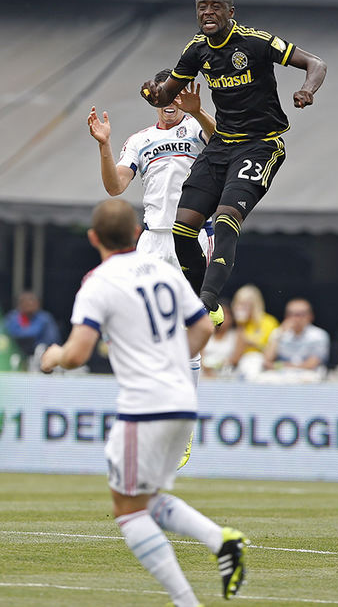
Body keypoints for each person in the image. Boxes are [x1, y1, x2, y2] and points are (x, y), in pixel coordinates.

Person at [40, 199, 249, 604]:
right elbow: (204, 327)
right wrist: (169, 360)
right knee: (145, 499)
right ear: (137, 234)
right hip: (181, 397)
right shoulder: (163, 271)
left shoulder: (98, 281)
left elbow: (78, 352)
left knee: (129, 510)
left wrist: (52, 357)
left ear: (93, 238)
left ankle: (187, 598)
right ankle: (221, 541)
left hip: (145, 403)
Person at [140, 0, 327, 327]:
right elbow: (166, 95)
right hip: (221, 145)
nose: (207, 12)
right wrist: (152, 93)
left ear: (230, 12)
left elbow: (316, 63)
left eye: (215, 6)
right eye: (201, 7)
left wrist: (306, 90)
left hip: (261, 143)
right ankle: (201, 304)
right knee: (182, 230)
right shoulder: (196, 50)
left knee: (226, 218)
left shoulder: (256, 42)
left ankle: (208, 300)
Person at [89, 73, 218, 467]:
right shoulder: (140, 140)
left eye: (176, 94)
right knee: (144, 324)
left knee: (187, 325)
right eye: (163, 95)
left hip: (191, 235)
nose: (170, 101)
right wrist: (105, 145)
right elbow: (115, 188)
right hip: (152, 238)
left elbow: (228, 147)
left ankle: (183, 429)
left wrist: (202, 113)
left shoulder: (198, 127)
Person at [262, 298, 330, 379]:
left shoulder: (319, 335)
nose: (297, 319)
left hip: (307, 374)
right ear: (286, 316)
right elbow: (267, 361)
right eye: (292, 314)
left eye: (301, 314)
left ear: (310, 316)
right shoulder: (278, 333)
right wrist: (279, 335)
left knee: (308, 377)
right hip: (281, 374)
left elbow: (311, 364)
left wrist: (281, 366)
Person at [228, 284, 279, 378]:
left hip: (261, 367)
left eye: (245, 304)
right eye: (238, 303)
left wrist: (254, 344)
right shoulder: (233, 324)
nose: (240, 308)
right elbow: (234, 359)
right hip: (238, 368)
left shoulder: (269, 322)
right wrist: (240, 325)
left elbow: (270, 356)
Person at [5, 291, 61, 370]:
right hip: (16, 353)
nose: (29, 304)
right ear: (19, 304)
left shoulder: (45, 318)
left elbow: (53, 339)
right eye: (26, 302)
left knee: (41, 349)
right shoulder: (12, 317)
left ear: (38, 304)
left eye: (32, 301)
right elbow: (7, 336)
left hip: (39, 356)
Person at [200, 300, 236, 378]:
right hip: (204, 374)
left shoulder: (237, 335)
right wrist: (206, 368)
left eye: (226, 313)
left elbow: (235, 359)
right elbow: (199, 357)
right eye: (220, 313)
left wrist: (217, 368)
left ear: (231, 317)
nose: (223, 317)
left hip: (226, 375)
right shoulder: (205, 333)